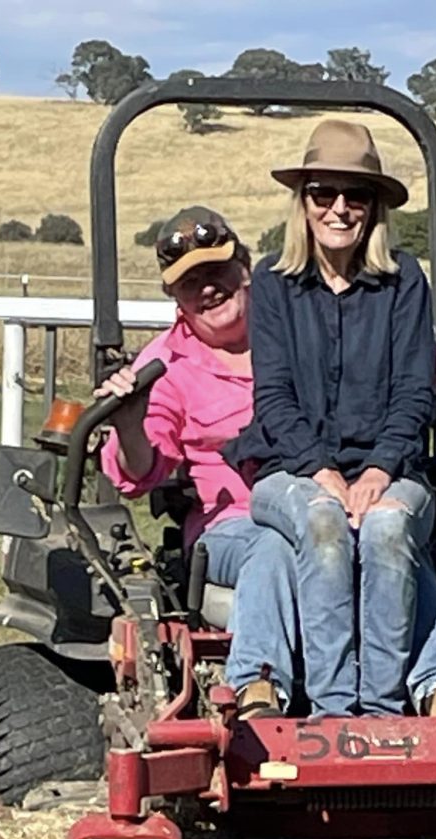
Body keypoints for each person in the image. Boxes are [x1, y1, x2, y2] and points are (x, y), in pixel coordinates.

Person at [225, 119, 436, 719]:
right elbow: (276, 398)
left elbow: (414, 393)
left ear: (374, 208)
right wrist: (322, 471)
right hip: (291, 470)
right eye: (323, 194)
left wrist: (378, 469)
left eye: (356, 196)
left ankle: (387, 710)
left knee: (389, 530)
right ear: (303, 202)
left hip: (390, 467)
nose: (339, 209)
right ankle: (335, 709)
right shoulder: (273, 282)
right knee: (323, 524)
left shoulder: (402, 281)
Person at [98, 207, 297, 717]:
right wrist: (128, 422)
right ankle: (259, 689)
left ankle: (424, 695)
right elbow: (140, 470)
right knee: (273, 547)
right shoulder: (164, 366)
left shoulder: (299, 335)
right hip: (235, 526)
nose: (208, 289)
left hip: (323, 503)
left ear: (245, 268)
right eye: (190, 283)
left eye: (217, 272)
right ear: (175, 298)